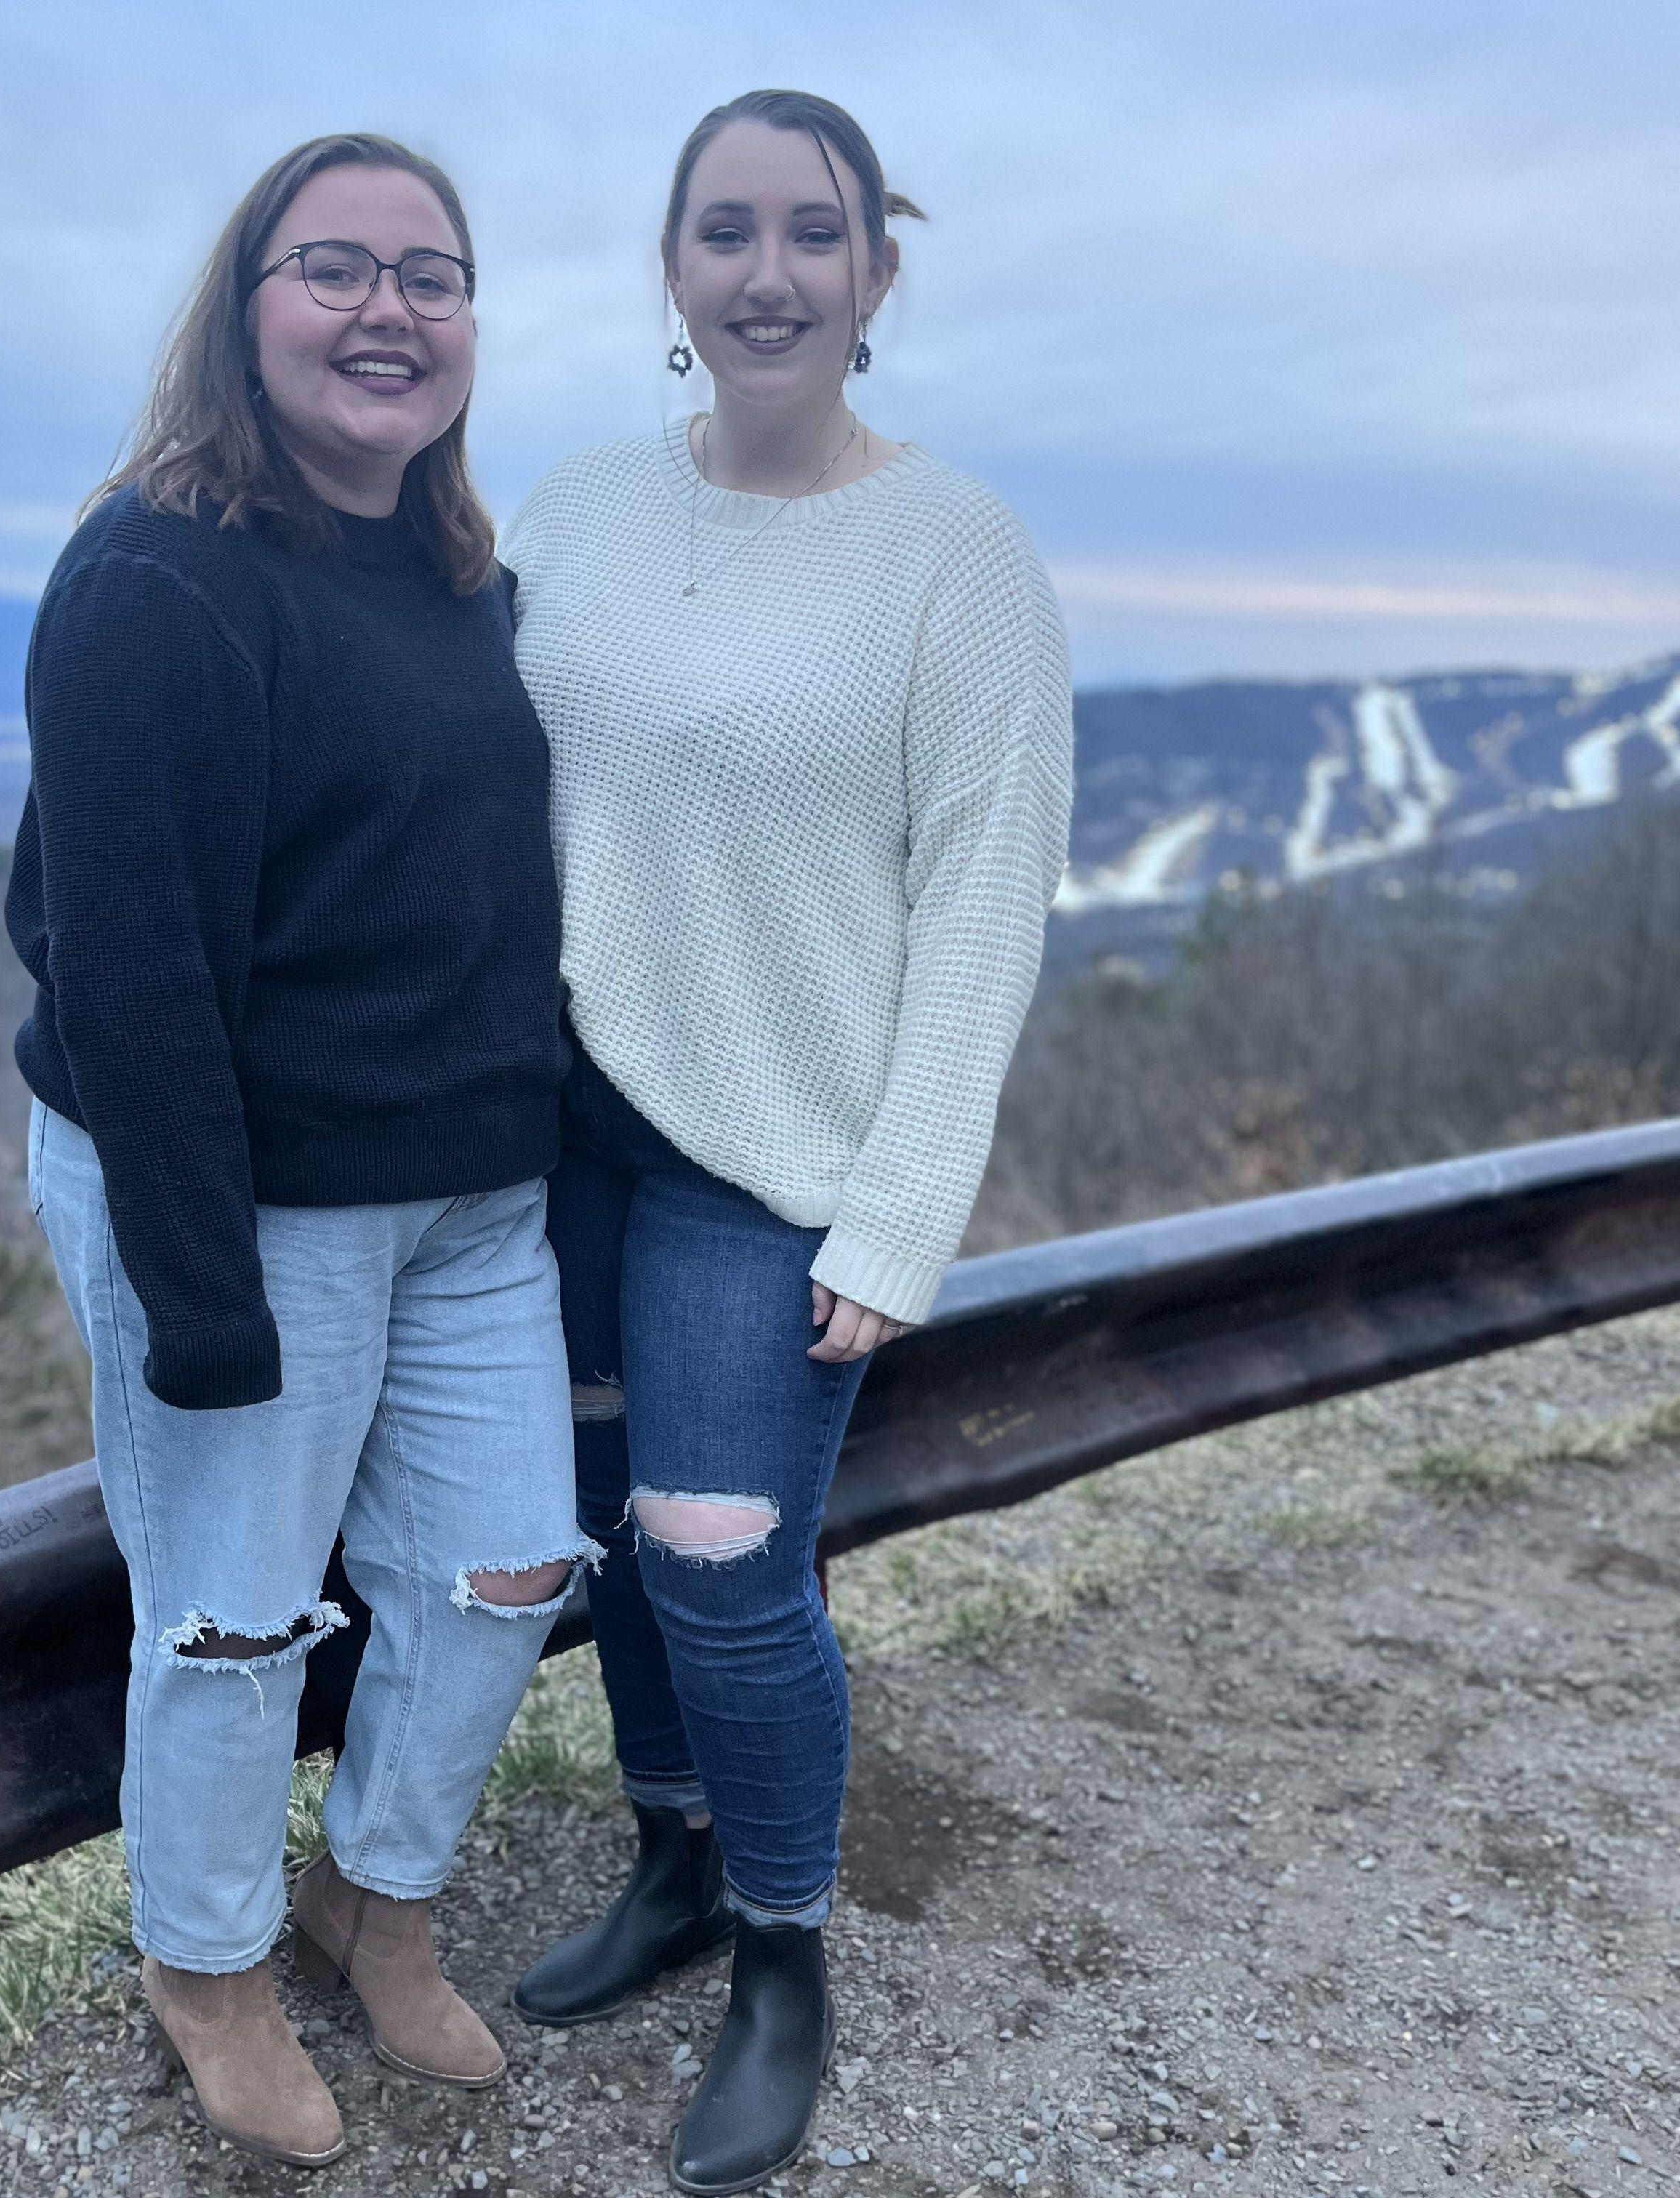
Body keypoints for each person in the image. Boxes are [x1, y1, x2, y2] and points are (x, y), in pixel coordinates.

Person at [502, 89, 1075, 2195]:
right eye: (726, 231)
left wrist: (902, 1214)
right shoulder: (577, 506)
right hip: (555, 1137)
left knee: (728, 1559)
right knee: (615, 1535)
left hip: (780, 1155)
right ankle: (671, 1856)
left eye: (813, 233)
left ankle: (781, 1952)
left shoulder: (957, 557)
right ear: (670, 266)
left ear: (875, 273)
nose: (769, 274)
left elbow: (985, 906)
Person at [7, 132, 598, 2170]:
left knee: (507, 1573)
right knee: (236, 1615)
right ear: (243, 311)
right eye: (334, 268)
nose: (387, 311)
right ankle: (208, 1965)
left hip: (472, 1197)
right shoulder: (155, 577)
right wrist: (199, 1298)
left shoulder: (463, 582)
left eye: (431, 275)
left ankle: (376, 1900)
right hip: (244, 1197)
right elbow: (128, 974)